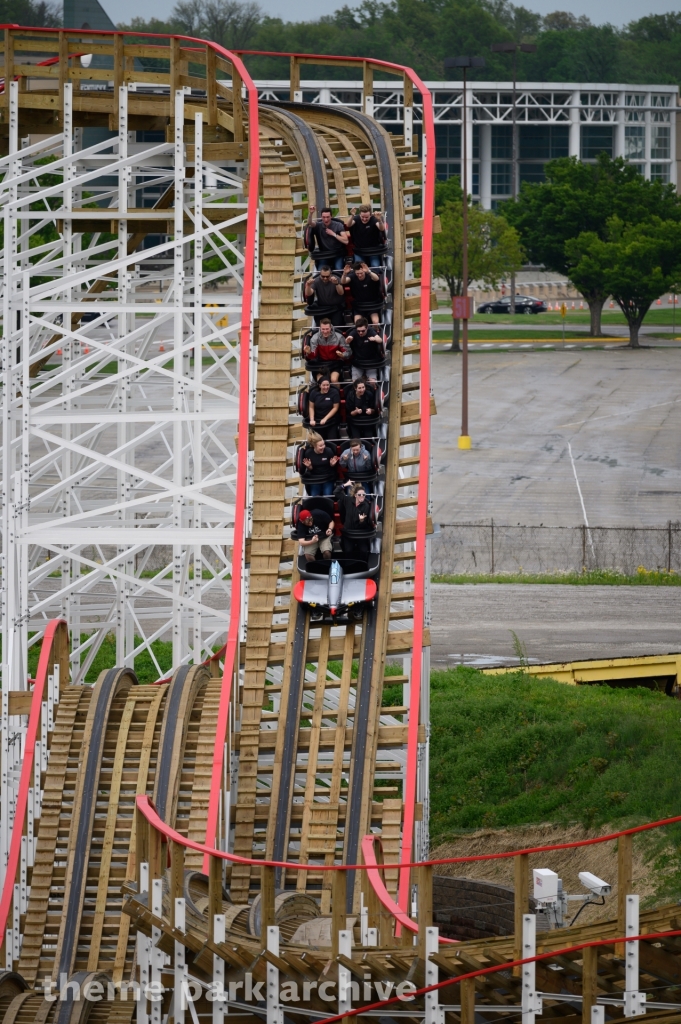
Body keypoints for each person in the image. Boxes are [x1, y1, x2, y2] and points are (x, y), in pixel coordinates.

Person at [306, 205, 349, 270]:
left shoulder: (338, 225)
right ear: (321, 217)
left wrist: (334, 234)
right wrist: (311, 213)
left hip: (337, 253)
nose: (326, 219)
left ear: (331, 216)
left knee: (338, 268)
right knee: (321, 269)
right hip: (324, 254)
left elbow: (346, 241)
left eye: (328, 217)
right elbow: (310, 223)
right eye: (324, 217)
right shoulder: (319, 225)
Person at [339, 481, 373, 562]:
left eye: (364, 495)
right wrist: (345, 485)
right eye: (359, 495)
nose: (362, 496)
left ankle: (362, 565)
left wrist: (361, 521)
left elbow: (365, 524)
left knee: (364, 550)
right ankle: (349, 565)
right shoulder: (348, 500)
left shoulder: (366, 506)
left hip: (360, 532)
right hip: (349, 531)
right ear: (355, 495)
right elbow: (336, 492)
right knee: (348, 551)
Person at [300, 432, 339, 497]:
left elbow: (333, 468)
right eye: (320, 446)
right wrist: (309, 467)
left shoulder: (328, 451)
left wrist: (332, 465)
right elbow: (310, 469)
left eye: (324, 444)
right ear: (314, 446)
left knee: (327, 495)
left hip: (328, 477)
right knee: (314, 496)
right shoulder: (308, 453)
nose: (323, 447)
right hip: (315, 478)